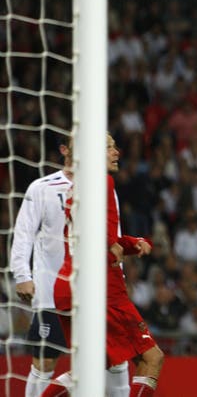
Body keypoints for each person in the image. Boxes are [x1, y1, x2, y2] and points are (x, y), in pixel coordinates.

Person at [41, 133, 164, 397]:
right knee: (152, 358)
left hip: (68, 286)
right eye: (109, 148)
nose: (117, 152)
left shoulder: (83, 185)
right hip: (101, 287)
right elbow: (94, 229)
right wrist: (111, 243)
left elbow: (95, 231)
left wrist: (131, 243)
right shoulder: (102, 181)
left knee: (89, 369)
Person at [9, 136, 75, 397]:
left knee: (109, 361)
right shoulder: (42, 187)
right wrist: (22, 275)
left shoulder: (102, 188)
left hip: (92, 291)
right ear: (64, 150)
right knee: (45, 362)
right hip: (51, 291)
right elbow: (23, 232)